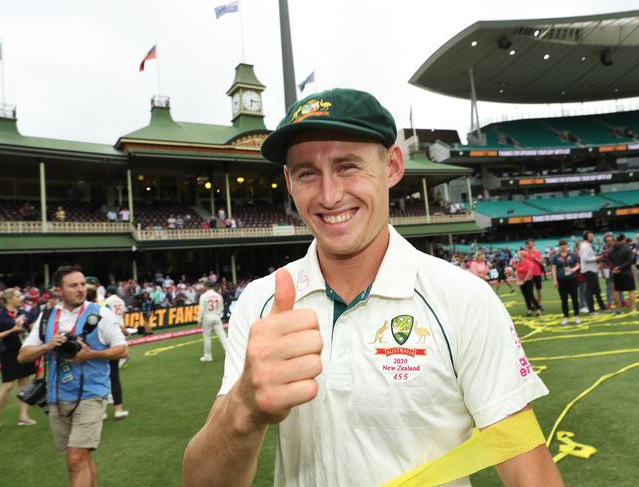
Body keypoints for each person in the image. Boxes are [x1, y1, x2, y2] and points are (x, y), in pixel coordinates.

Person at [183, 88, 563, 486]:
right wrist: (243, 407)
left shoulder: (463, 298)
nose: (329, 197)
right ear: (289, 182)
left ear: (393, 166)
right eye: (307, 173)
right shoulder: (262, 302)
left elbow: (529, 472)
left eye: (347, 166)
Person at [18, 265, 127, 487]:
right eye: (73, 285)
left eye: (82, 284)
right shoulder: (47, 317)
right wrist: (48, 345)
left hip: (91, 395)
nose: (81, 289)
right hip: (56, 399)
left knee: (75, 460)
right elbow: (23, 355)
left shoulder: (100, 313)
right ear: (59, 290)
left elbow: (122, 349)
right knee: (81, 460)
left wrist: (91, 354)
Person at [0, 289, 38, 433]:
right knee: (7, 387)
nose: (20, 298)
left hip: (24, 351)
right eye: (17, 296)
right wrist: (12, 330)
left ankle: (23, 416)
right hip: (8, 354)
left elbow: (30, 328)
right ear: (9, 299)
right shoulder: (0, 315)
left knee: (24, 384)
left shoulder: (23, 313)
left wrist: (33, 327)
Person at [102, 286, 130, 419]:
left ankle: (104, 406)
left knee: (106, 373)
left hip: (108, 333)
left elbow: (109, 318)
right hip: (118, 331)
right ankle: (116, 406)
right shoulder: (121, 301)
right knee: (114, 374)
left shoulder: (105, 301)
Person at [551, 240, 581, 326]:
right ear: (559, 247)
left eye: (564, 245)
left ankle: (577, 315)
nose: (563, 247)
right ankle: (566, 317)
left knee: (575, 298)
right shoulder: (555, 257)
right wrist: (555, 280)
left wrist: (573, 269)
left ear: (567, 246)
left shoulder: (573, 255)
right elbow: (553, 269)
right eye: (561, 245)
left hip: (572, 279)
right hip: (561, 280)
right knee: (564, 299)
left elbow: (578, 265)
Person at [197, 279, 227, 362]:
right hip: (216, 317)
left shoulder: (203, 296)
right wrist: (217, 315)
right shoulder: (218, 295)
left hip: (207, 317)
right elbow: (221, 308)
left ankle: (208, 356)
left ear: (206, 286)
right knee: (223, 336)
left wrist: (199, 320)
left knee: (207, 337)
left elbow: (201, 309)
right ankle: (229, 352)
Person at [579, 230, 606, 314]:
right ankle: (591, 309)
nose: (592, 237)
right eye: (590, 236)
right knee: (590, 290)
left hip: (591, 270)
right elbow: (585, 258)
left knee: (596, 290)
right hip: (589, 270)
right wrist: (597, 258)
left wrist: (596, 258)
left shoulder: (587, 245)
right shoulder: (585, 246)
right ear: (586, 237)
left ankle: (602, 307)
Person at [609, 234, 636, 314]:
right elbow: (630, 261)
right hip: (626, 272)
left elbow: (609, 260)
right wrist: (620, 267)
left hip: (616, 273)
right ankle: (632, 308)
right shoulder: (627, 248)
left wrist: (614, 268)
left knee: (617, 291)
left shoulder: (612, 249)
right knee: (631, 290)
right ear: (624, 239)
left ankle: (618, 309)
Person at [517, 250, 541, 317]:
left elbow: (529, 272)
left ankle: (538, 309)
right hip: (521, 282)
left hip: (528, 281)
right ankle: (529, 310)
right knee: (526, 296)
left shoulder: (528, 263)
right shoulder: (518, 263)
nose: (517, 256)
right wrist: (518, 281)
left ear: (522, 255)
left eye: (519, 254)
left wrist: (523, 281)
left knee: (531, 295)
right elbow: (517, 273)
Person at [525, 239, 544, 309]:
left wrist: (535, 258)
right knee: (530, 290)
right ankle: (532, 304)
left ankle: (539, 303)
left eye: (530, 243)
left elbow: (541, 262)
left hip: (537, 273)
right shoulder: (525, 253)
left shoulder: (537, 252)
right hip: (529, 275)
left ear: (533, 244)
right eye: (528, 243)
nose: (529, 244)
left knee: (538, 289)